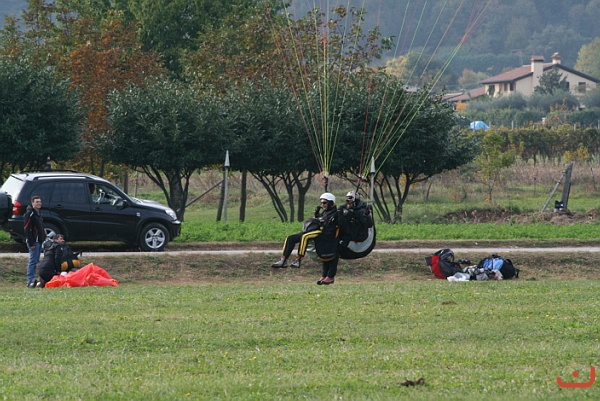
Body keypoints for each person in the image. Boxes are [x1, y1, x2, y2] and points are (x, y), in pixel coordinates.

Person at [24, 195, 45, 288]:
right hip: (34, 241)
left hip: (39, 241)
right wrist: (31, 242)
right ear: (32, 203)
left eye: (39, 202)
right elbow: (27, 229)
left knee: (36, 260)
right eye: (36, 202)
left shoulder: (38, 213)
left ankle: (35, 279)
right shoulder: (30, 213)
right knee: (32, 261)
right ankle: (30, 281)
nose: (39, 203)